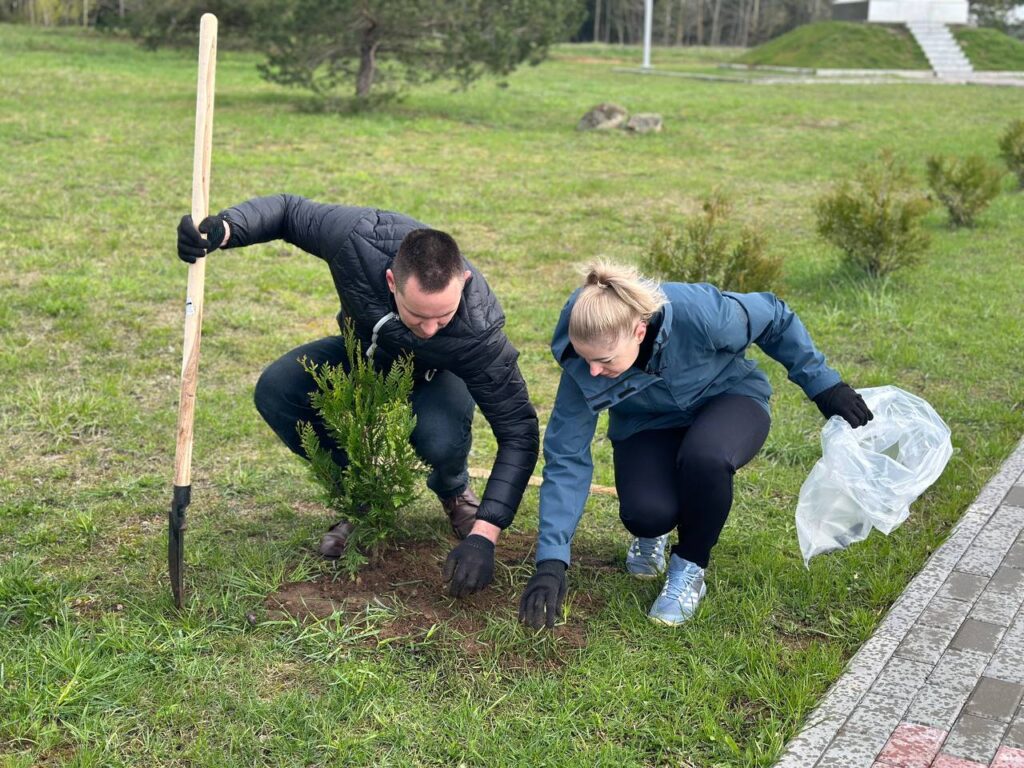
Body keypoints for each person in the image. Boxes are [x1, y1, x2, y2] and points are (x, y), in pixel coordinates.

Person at [176, 195, 539, 597]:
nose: (432, 328)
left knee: (440, 438)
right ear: (390, 282)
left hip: (435, 376)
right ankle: (362, 498)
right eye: (418, 315)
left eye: (444, 315)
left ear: (464, 282)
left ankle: (454, 492)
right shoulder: (358, 239)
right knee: (279, 390)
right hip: (360, 355)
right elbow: (287, 212)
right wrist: (226, 229)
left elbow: (519, 431)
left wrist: (485, 535)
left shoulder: (479, 333)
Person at [518, 263, 872, 628]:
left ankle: (689, 565)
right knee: (646, 513)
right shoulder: (586, 360)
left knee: (706, 457)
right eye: (586, 358)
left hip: (729, 399)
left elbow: (774, 317)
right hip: (646, 424)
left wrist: (823, 385)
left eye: (604, 360)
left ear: (639, 331)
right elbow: (566, 457)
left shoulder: (701, 314)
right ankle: (650, 537)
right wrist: (551, 561)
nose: (592, 371)